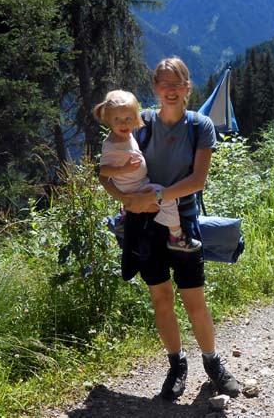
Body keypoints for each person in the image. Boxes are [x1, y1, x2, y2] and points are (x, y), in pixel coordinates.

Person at [98, 58, 241, 400]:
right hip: (144, 223)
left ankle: (212, 363)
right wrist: (126, 199)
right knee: (160, 298)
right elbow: (106, 166)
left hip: (183, 221)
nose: (171, 90)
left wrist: (159, 194)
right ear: (155, 88)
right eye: (164, 83)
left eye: (177, 83)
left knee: (194, 299)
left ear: (188, 87)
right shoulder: (139, 121)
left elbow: (198, 180)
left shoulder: (199, 126)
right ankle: (177, 365)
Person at [93, 90, 201, 252]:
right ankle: (176, 236)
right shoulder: (111, 144)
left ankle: (125, 217)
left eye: (128, 119)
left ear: (135, 119)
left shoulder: (127, 136)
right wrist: (124, 169)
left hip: (140, 184)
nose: (123, 123)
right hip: (134, 188)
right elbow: (104, 171)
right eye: (117, 119)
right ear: (108, 120)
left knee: (164, 201)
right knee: (168, 198)